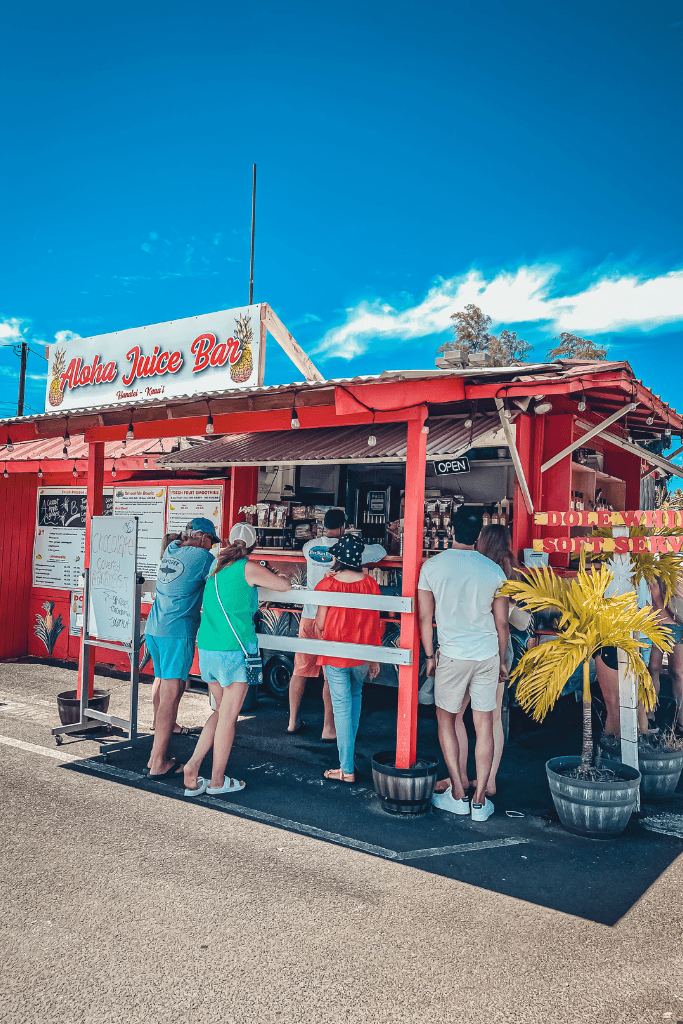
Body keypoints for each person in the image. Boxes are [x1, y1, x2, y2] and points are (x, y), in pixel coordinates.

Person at [183, 523, 292, 797]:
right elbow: (285, 585)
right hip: (234, 651)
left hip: (207, 647)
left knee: (220, 713)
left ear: (231, 541)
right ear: (253, 546)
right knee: (229, 718)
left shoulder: (215, 568)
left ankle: (193, 766)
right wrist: (267, 573)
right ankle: (217, 780)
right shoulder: (248, 568)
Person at [418, 506, 509, 821]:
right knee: (484, 725)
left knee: (448, 721)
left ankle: (458, 792)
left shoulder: (432, 566)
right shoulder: (493, 571)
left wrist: (430, 657)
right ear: (479, 534)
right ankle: (480, 802)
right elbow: (502, 625)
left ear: (450, 530)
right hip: (486, 655)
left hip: (452, 655)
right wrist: (501, 660)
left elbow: (425, 617)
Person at [433, 524, 529, 797]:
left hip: (473, 648)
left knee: (455, 717)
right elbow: (518, 618)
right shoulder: (513, 570)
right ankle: (488, 782)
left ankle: (459, 779)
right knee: (492, 718)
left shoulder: (478, 567)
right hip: (500, 649)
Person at [287, 507, 386, 738]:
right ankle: (328, 728)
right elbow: (380, 552)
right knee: (331, 674)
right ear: (343, 527)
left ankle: (292, 721)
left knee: (300, 670)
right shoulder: (351, 550)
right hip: (331, 619)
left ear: (323, 525)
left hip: (309, 616)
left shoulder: (309, 546)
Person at [145, 518, 220, 780]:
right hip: (177, 632)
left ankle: (159, 739)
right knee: (172, 691)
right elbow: (227, 576)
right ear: (200, 536)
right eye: (211, 540)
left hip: (155, 628)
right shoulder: (202, 557)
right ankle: (157, 761)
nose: (211, 547)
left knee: (164, 682)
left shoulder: (171, 549)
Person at [314, 534, 382, 783]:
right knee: (355, 700)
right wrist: (375, 658)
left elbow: (320, 624)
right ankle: (347, 761)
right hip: (363, 655)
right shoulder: (371, 584)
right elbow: (376, 623)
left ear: (338, 558)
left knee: (342, 708)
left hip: (335, 654)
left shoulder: (327, 584)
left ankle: (346, 769)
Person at [645, 579, 683, 737]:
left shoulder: (675, 572)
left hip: (675, 625)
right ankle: (650, 716)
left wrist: (659, 599)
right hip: (654, 625)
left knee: (678, 673)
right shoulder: (650, 572)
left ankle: (680, 720)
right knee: (653, 670)